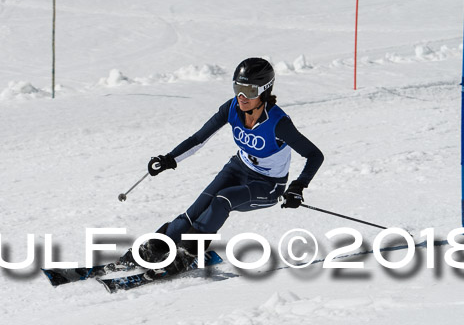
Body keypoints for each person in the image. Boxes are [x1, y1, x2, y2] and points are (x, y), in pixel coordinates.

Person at [122, 57, 324, 275]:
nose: (242, 96)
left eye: (250, 91)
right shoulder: (231, 108)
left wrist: (297, 187)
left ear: (264, 91)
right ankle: (153, 249)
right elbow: (199, 138)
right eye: (238, 88)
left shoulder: (278, 123)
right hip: (239, 168)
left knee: (222, 201)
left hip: (268, 185)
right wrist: (169, 159)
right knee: (194, 212)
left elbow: (314, 155)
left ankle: (186, 254)